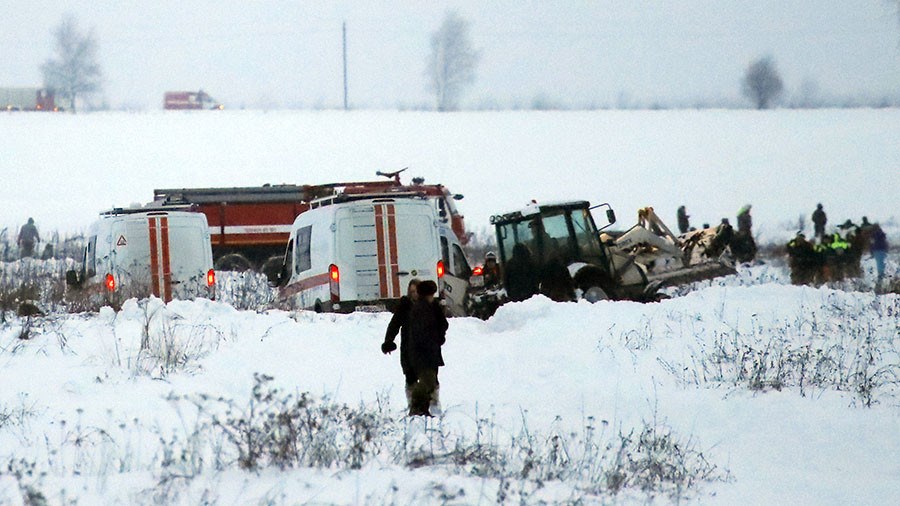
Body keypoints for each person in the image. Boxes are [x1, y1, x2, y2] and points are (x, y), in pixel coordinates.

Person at [407, 280, 448, 416]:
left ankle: (422, 408)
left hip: (428, 351)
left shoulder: (430, 307)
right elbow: (423, 332)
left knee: (430, 380)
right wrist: (435, 340)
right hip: (423, 352)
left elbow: (442, 324)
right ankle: (417, 407)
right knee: (428, 381)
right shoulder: (422, 309)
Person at [382, 279, 421, 412]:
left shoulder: (428, 306)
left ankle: (431, 407)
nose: (414, 294)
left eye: (416, 291)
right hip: (408, 349)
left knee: (428, 378)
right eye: (412, 292)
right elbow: (394, 325)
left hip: (425, 349)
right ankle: (413, 407)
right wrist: (388, 341)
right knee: (410, 378)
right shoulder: (404, 306)